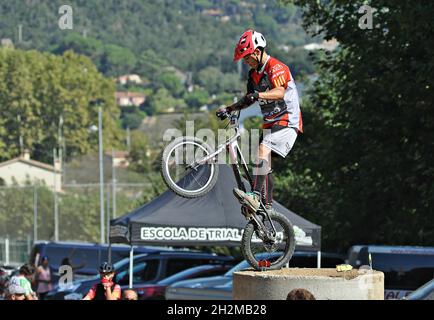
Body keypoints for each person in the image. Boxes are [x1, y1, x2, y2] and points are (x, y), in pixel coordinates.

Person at [217, 29, 303, 212]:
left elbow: (279, 92)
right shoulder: (253, 75)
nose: (246, 62)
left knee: (262, 150)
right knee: (263, 163)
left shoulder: (276, 67)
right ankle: (267, 207)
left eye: (247, 58)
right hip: (271, 123)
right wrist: (229, 109)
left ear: (257, 51)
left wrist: (259, 94)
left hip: (288, 121)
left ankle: (255, 197)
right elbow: (249, 98)